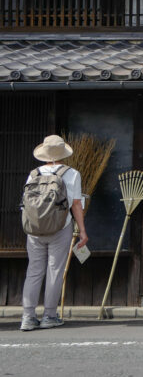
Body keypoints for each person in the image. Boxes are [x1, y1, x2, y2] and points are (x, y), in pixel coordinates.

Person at [21, 135, 88, 331]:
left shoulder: (33, 174)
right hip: (60, 227)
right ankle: (49, 315)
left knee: (33, 271)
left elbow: (26, 204)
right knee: (54, 271)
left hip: (34, 230)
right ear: (63, 154)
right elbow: (76, 204)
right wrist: (82, 231)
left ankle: (28, 317)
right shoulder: (72, 173)